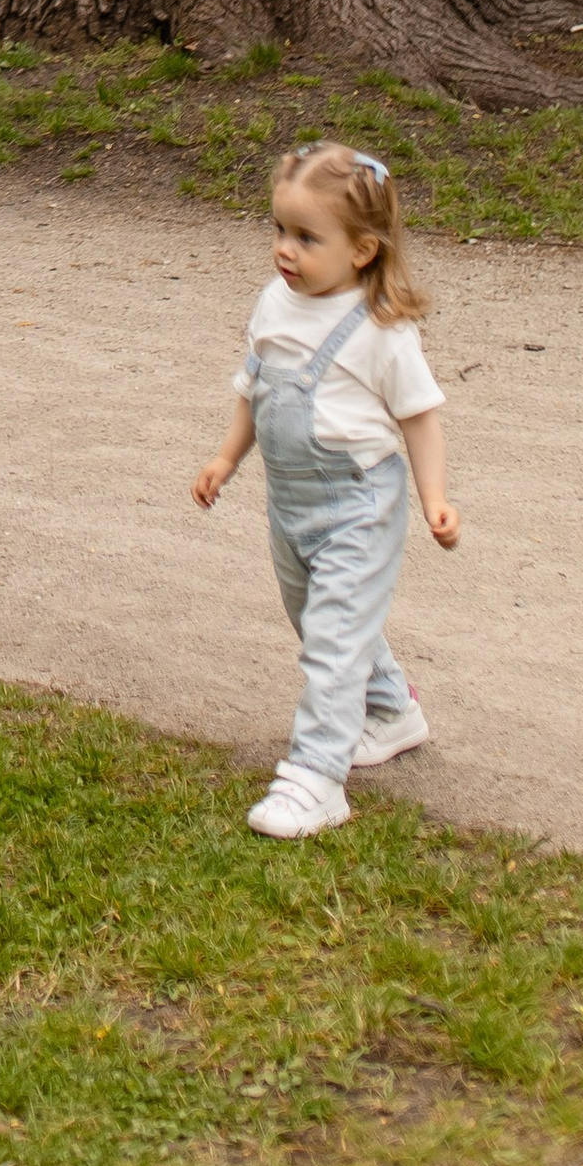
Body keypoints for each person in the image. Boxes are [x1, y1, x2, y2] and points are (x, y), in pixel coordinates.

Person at [190, 140, 459, 839]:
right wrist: (226, 457)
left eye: (307, 237)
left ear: (363, 250)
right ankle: (393, 710)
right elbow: (256, 388)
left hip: (359, 503)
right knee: (320, 620)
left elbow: (420, 418)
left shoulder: (381, 331)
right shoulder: (274, 304)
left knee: (332, 639)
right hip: (291, 503)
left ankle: (315, 778)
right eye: (280, 229)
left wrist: (435, 497)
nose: (285, 248)